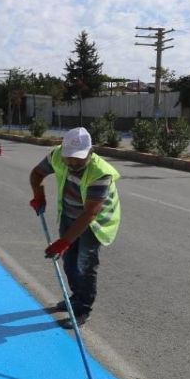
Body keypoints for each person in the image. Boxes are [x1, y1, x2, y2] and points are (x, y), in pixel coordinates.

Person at [28, 127, 121, 328]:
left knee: (84, 265)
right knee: (70, 262)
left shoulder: (100, 173)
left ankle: (83, 308)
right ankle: (76, 297)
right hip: (69, 215)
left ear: (91, 152)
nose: (73, 163)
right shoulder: (57, 155)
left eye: (79, 159)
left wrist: (64, 241)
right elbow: (36, 174)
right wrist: (39, 194)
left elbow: (90, 213)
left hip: (95, 222)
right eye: (69, 158)